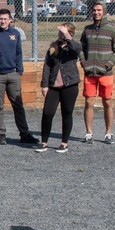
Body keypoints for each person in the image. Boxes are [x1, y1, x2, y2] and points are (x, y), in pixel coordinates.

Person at [0, 8, 38, 145]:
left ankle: (24, 133)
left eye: (5, 19)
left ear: (10, 20)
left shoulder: (15, 33)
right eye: (0, 18)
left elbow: (18, 52)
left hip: (13, 74)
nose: (3, 21)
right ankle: (0, 134)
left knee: (18, 105)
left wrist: (19, 70)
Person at [35, 22, 81, 153]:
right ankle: (44, 142)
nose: (60, 35)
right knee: (47, 113)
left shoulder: (73, 47)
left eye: (63, 33)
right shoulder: (53, 47)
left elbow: (77, 50)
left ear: (70, 34)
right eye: (60, 33)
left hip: (70, 85)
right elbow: (47, 67)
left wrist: (66, 35)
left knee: (67, 113)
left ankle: (64, 143)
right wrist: (44, 85)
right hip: (54, 87)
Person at [80, 1, 115, 145]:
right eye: (94, 10)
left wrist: (107, 65)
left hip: (106, 74)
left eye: (99, 10)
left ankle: (108, 133)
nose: (96, 12)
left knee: (107, 102)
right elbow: (81, 49)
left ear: (104, 11)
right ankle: (88, 133)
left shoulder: (112, 30)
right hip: (89, 74)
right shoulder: (87, 30)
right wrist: (84, 64)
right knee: (88, 102)